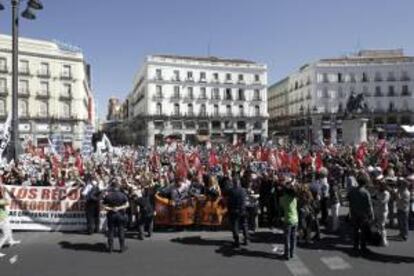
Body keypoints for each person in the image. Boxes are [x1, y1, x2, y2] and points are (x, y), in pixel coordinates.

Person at [348, 173, 374, 255]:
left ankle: (355, 245)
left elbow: (350, 202)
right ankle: (363, 246)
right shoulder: (366, 193)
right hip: (364, 214)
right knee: (363, 231)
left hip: (354, 213)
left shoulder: (352, 191)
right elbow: (369, 205)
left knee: (355, 230)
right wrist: (371, 215)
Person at [102, 179, 129, 253]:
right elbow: (127, 205)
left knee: (110, 231)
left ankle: (110, 249)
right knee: (121, 231)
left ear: (112, 187)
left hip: (111, 215)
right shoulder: (122, 195)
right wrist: (119, 208)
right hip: (120, 214)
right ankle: (122, 248)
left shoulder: (108, 196)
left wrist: (111, 208)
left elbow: (103, 206)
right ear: (118, 187)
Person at [280, 177, 299, 260]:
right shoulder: (294, 198)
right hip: (295, 219)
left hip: (288, 219)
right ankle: (292, 253)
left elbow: (280, 206)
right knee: (293, 237)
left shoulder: (284, 199)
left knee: (287, 237)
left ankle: (286, 254)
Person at [227, 176, 248, 247]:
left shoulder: (231, 191)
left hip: (234, 210)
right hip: (242, 210)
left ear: (233, 183)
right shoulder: (243, 190)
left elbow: (229, 201)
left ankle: (237, 240)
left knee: (235, 225)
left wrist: (229, 210)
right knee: (244, 224)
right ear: (239, 183)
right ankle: (246, 238)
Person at [0, 185, 21, 257]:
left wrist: (3, 191)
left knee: (9, 228)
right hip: (1, 220)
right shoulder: (1, 201)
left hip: (4, 217)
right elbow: (7, 202)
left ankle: (11, 241)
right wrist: (4, 192)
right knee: (5, 235)